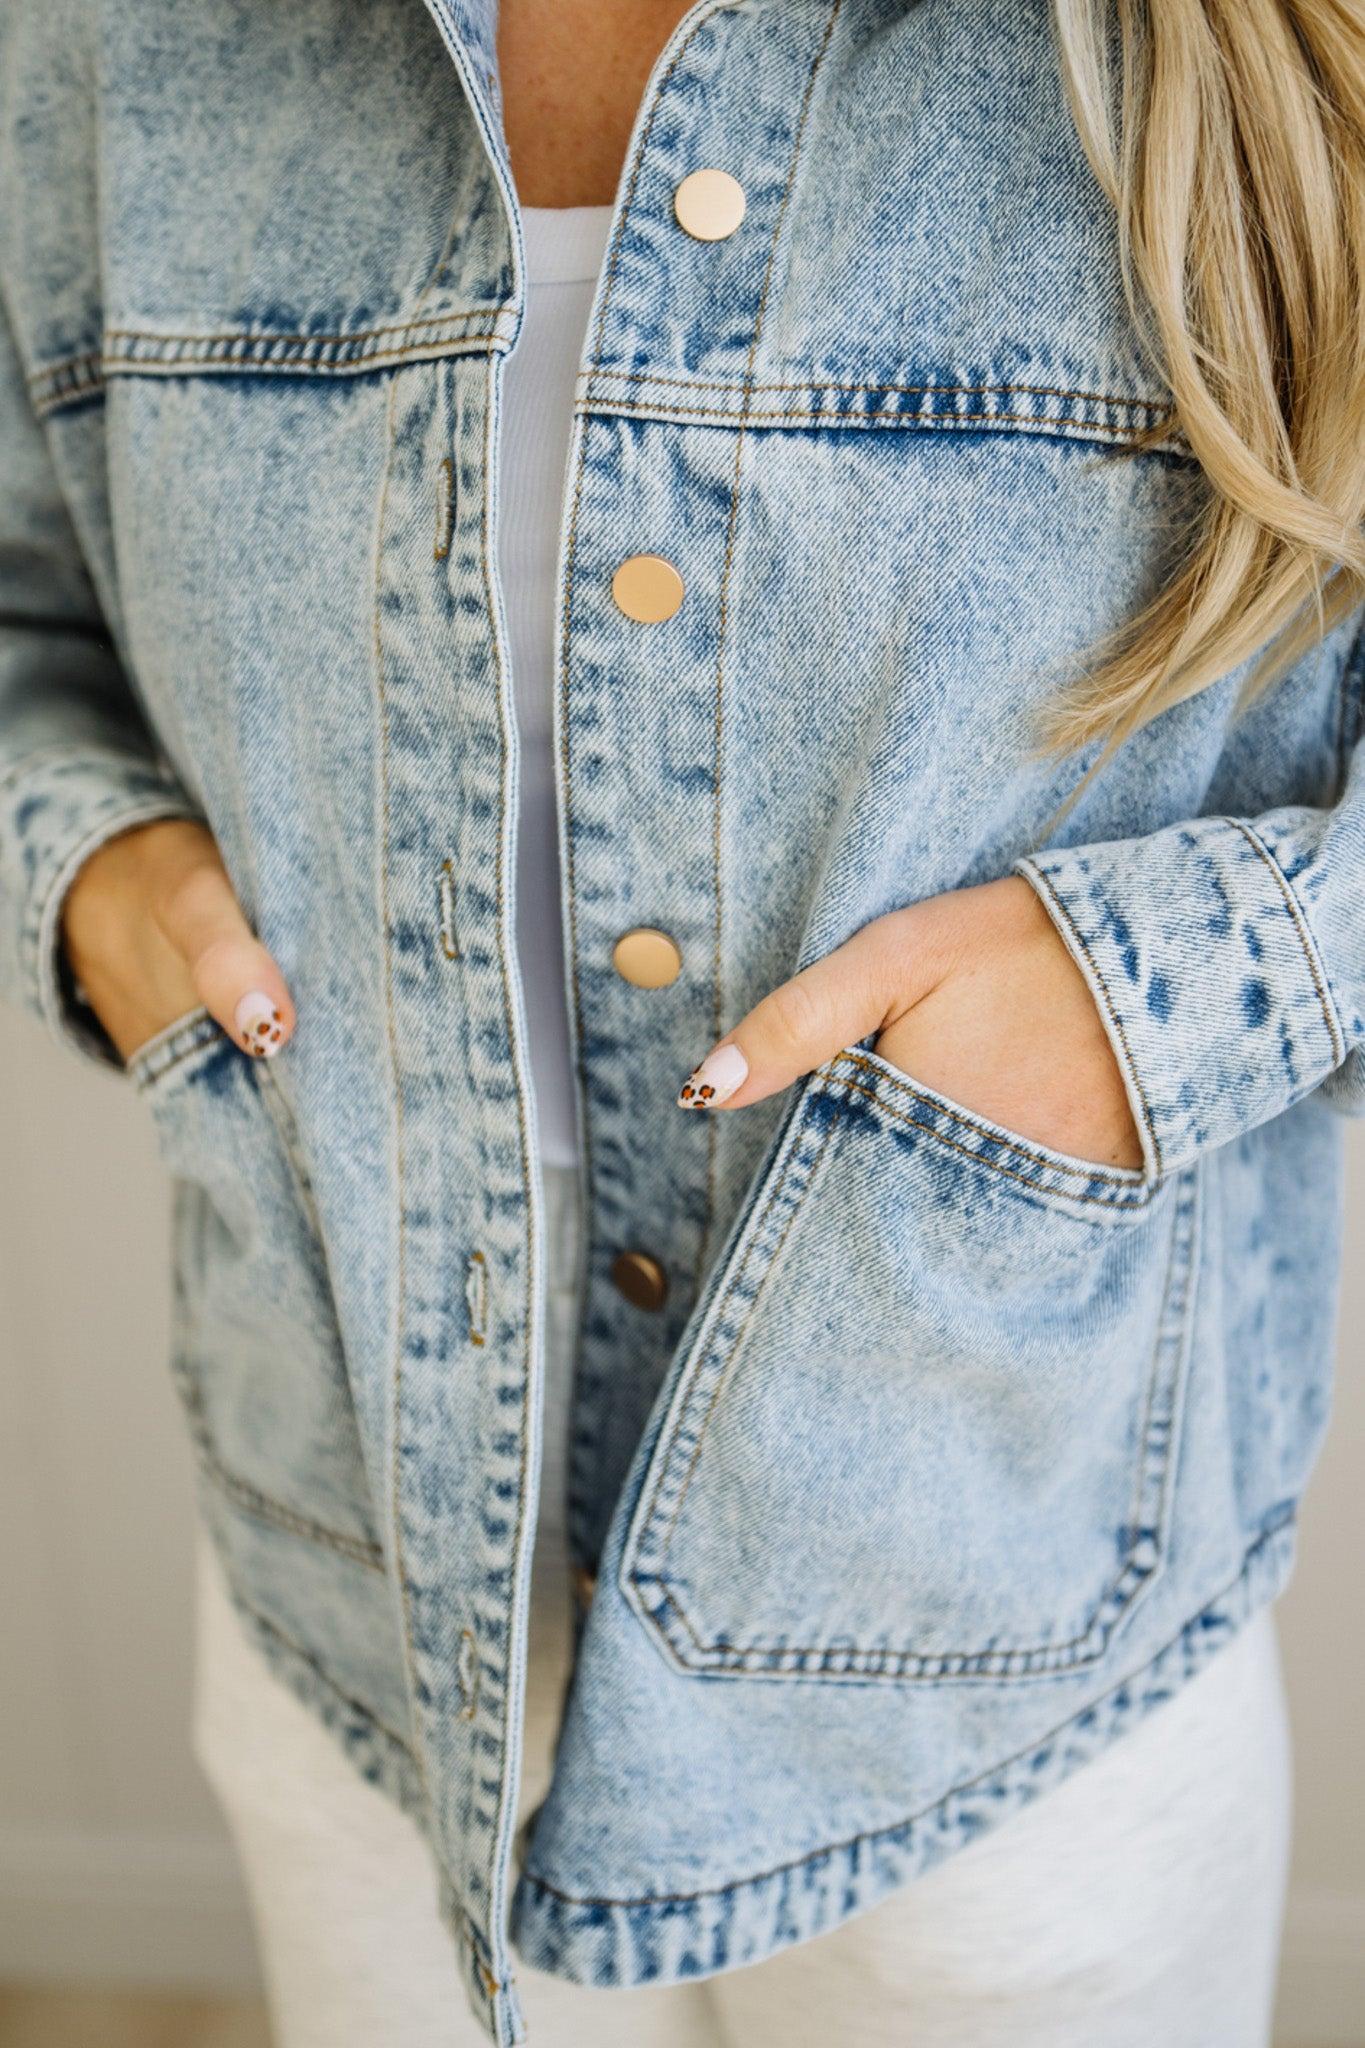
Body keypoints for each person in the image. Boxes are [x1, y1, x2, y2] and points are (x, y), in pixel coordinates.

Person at [2, 0, 1362, 2042]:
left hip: (998, 1677)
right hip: (363, 1615)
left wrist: (1151, 993)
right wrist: (87, 865)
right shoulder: (118, 39)